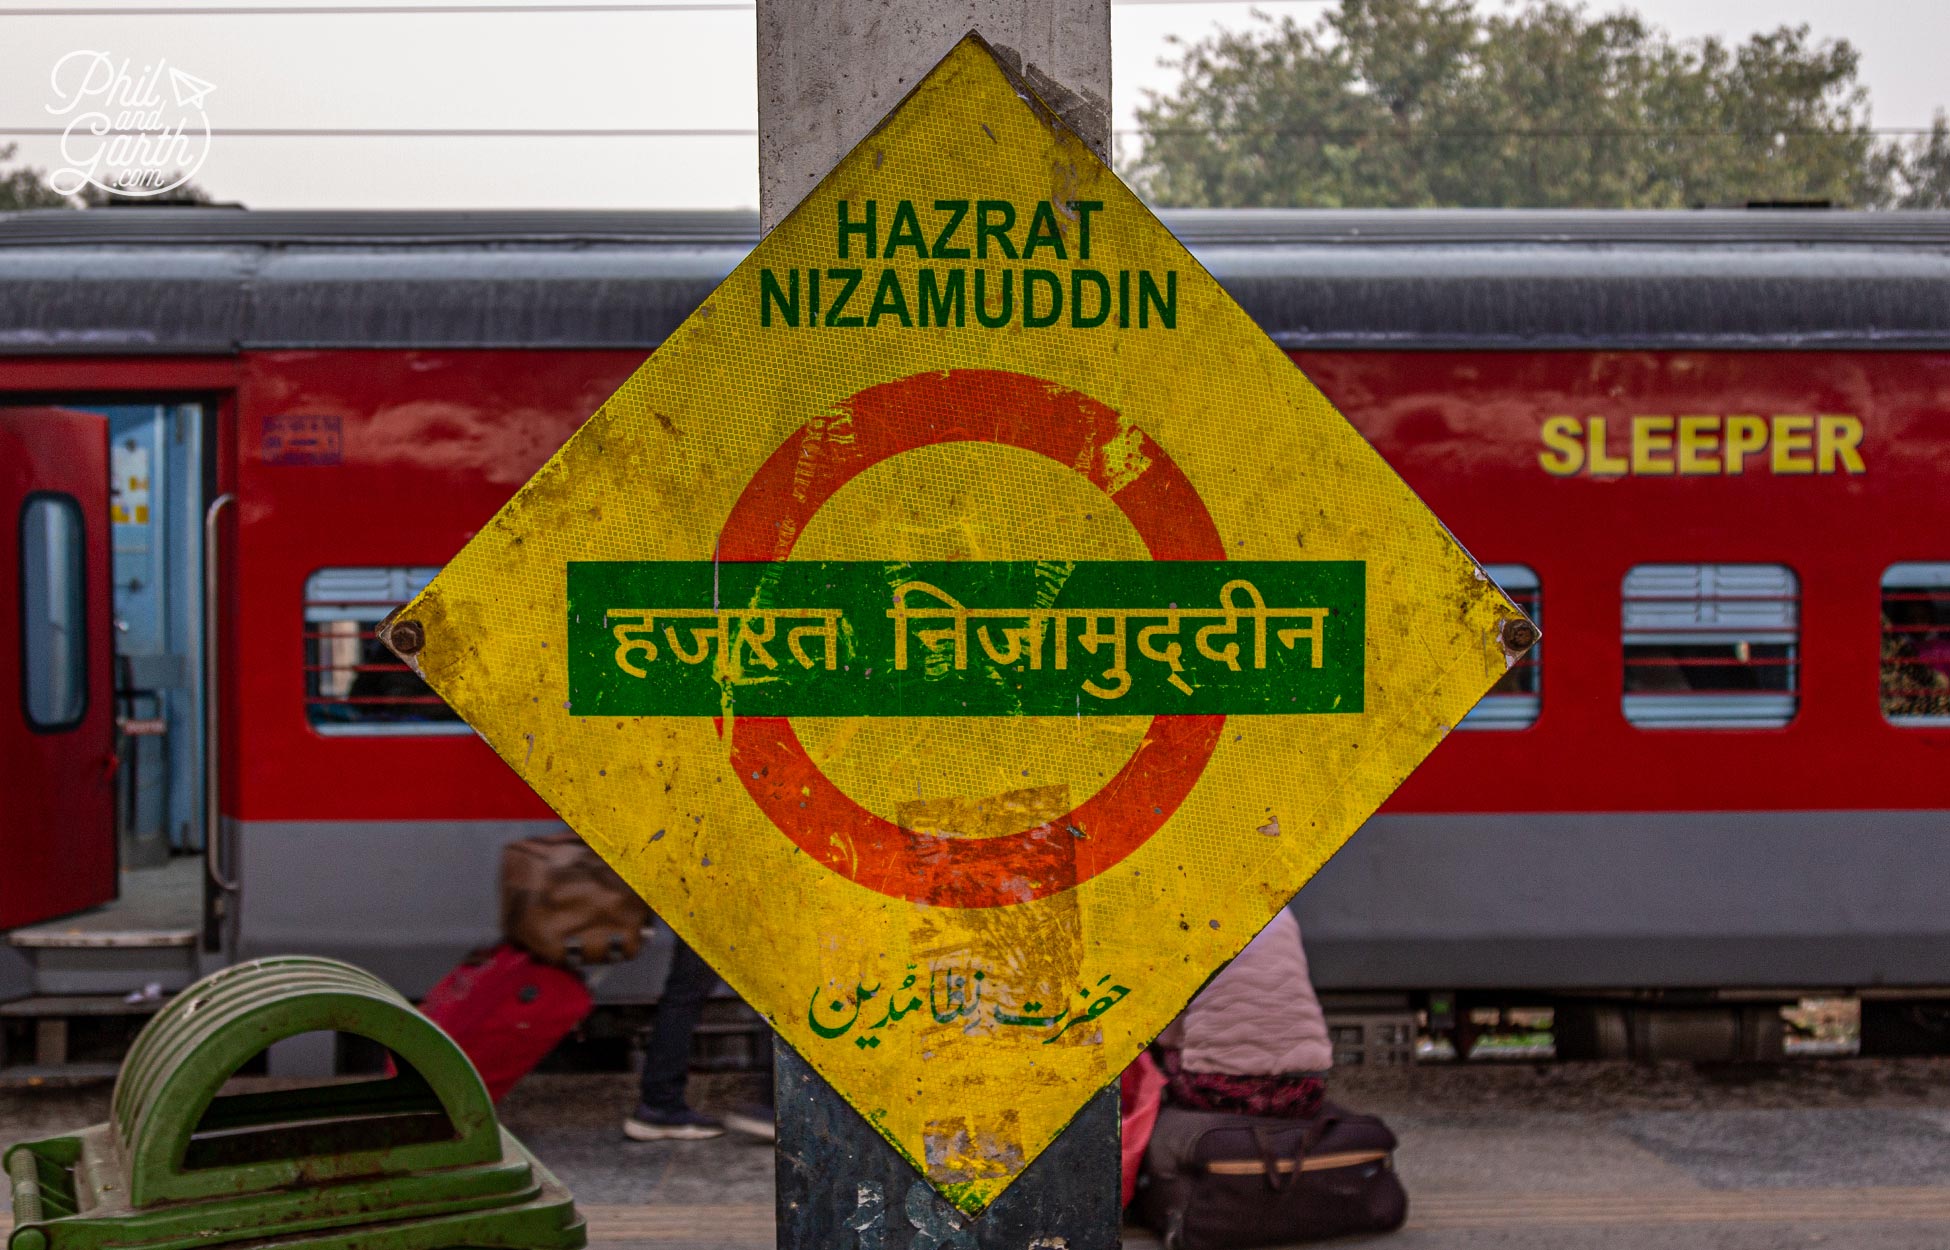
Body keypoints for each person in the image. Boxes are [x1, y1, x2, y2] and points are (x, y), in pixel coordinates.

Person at [1153, 907, 1332, 1117]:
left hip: (1223, 1093)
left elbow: (1165, 1034)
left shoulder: (1178, 911)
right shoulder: (1277, 907)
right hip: (1304, 1090)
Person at [623, 928, 778, 1142]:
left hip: (699, 902)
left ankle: (660, 1102)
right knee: (777, 990)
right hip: (730, 904)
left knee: (685, 992)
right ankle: (774, 1107)